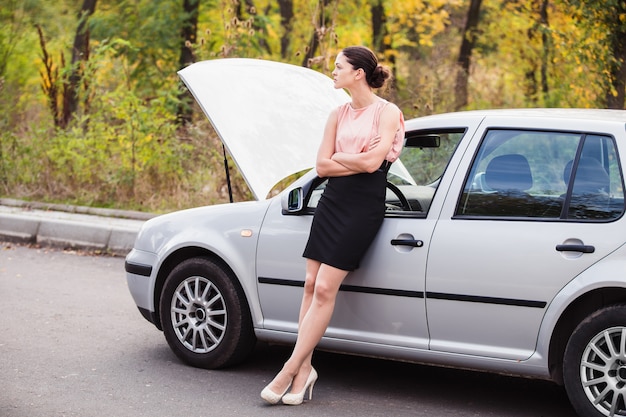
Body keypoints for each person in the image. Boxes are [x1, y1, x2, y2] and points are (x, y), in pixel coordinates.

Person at [261, 45, 405, 406]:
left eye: (338, 67)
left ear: (358, 73)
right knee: (309, 283)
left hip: (363, 205)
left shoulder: (387, 113)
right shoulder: (336, 114)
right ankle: (306, 369)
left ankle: (289, 367)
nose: (333, 71)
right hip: (332, 200)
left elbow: (374, 164)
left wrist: (344, 157)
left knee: (325, 287)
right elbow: (322, 168)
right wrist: (350, 159)